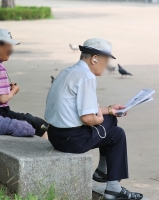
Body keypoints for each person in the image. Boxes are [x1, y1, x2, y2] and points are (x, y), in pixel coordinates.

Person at [45, 38, 143, 200]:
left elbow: (80, 109)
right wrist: (101, 119)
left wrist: (109, 110)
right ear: (94, 58)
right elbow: (88, 118)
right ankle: (106, 178)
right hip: (72, 140)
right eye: (105, 61)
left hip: (55, 135)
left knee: (116, 133)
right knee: (111, 123)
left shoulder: (68, 72)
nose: (106, 65)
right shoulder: (87, 77)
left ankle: (109, 181)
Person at [0, 29, 48, 138]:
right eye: (9, 46)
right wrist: (13, 91)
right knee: (39, 124)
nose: (11, 50)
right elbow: (2, 99)